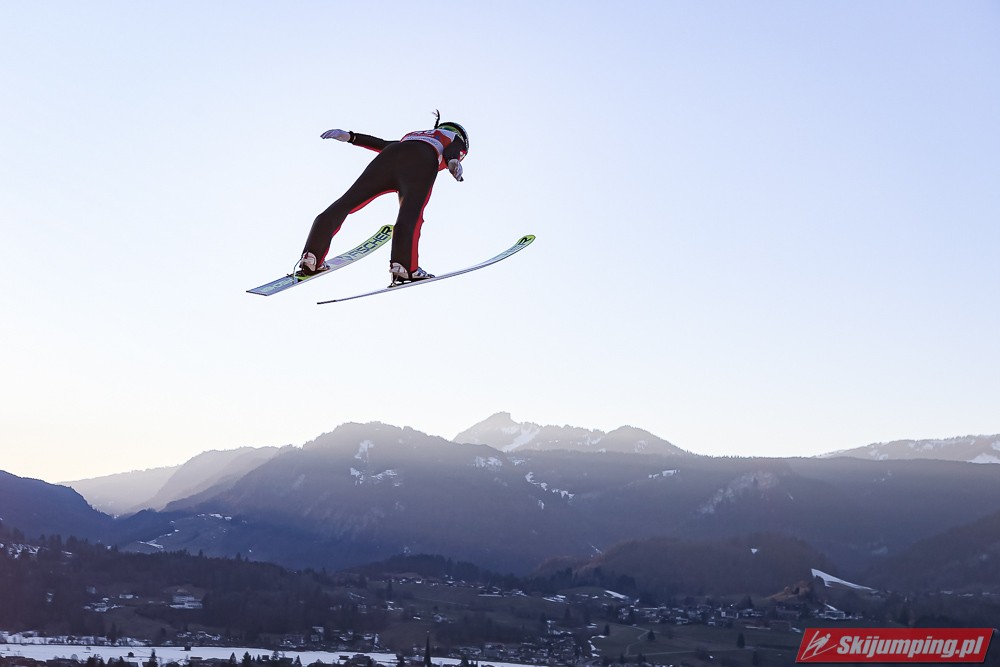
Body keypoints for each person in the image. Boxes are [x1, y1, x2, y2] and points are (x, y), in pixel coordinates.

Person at [298, 110, 468, 285]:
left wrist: (350, 137)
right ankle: (404, 267)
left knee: (345, 203)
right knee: (410, 215)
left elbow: (381, 143)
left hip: (390, 155)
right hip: (421, 160)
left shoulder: (414, 135)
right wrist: (453, 160)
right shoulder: (454, 137)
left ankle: (312, 256)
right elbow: (454, 149)